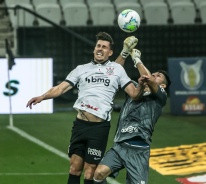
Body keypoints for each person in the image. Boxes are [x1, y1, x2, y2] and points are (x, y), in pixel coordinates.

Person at [26, 32, 144, 184]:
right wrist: (43, 96)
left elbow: (134, 94)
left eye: (104, 47)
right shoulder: (81, 69)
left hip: (99, 128)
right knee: (74, 168)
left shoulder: (117, 70)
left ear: (110, 52)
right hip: (80, 125)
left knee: (90, 171)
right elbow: (60, 88)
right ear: (94, 49)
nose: (100, 49)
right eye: (98, 46)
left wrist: (141, 83)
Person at [93, 48, 171, 184]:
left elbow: (148, 80)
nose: (153, 75)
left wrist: (137, 60)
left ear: (163, 85)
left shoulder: (161, 96)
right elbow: (113, 72)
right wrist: (124, 53)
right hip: (120, 145)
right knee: (99, 173)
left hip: (139, 150)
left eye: (158, 76)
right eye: (153, 73)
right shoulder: (135, 88)